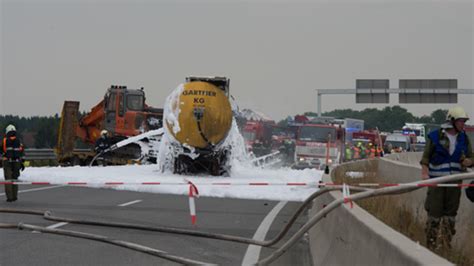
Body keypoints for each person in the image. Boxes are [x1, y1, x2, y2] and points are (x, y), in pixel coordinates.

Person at [420, 106, 474, 250]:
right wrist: (425, 174)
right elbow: (425, 158)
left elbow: (471, 157)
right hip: (437, 184)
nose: (464, 124)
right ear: (452, 121)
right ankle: (430, 245)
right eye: (461, 121)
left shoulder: (464, 138)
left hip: (455, 184)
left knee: (450, 216)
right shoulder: (435, 137)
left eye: (464, 121)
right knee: (434, 215)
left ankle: (445, 245)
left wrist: (469, 161)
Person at [1, 124, 25, 202]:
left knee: (8, 179)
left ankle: (9, 197)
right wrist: (22, 162)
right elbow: (21, 152)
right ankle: (15, 196)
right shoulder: (19, 140)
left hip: (7, 161)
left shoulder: (4, 140)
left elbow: (1, 150)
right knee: (15, 179)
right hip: (17, 162)